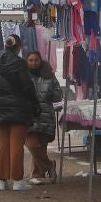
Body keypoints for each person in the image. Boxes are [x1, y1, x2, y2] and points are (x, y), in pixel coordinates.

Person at [0, 35, 39, 191]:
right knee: (17, 144)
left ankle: (2, 181)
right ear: (18, 47)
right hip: (18, 106)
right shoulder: (19, 63)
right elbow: (27, 87)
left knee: (3, 143)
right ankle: (17, 180)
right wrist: (34, 102)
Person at [24, 48, 65, 184]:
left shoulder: (49, 76)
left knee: (41, 146)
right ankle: (49, 165)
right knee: (32, 145)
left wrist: (48, 94)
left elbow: (58, 95)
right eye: (30, 60)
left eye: (36, 60)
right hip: (29, 116)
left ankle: (37, 175)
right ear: (26, 62)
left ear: (40, 61)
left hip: (45, 116)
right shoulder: (23, 76)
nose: (33, 63)